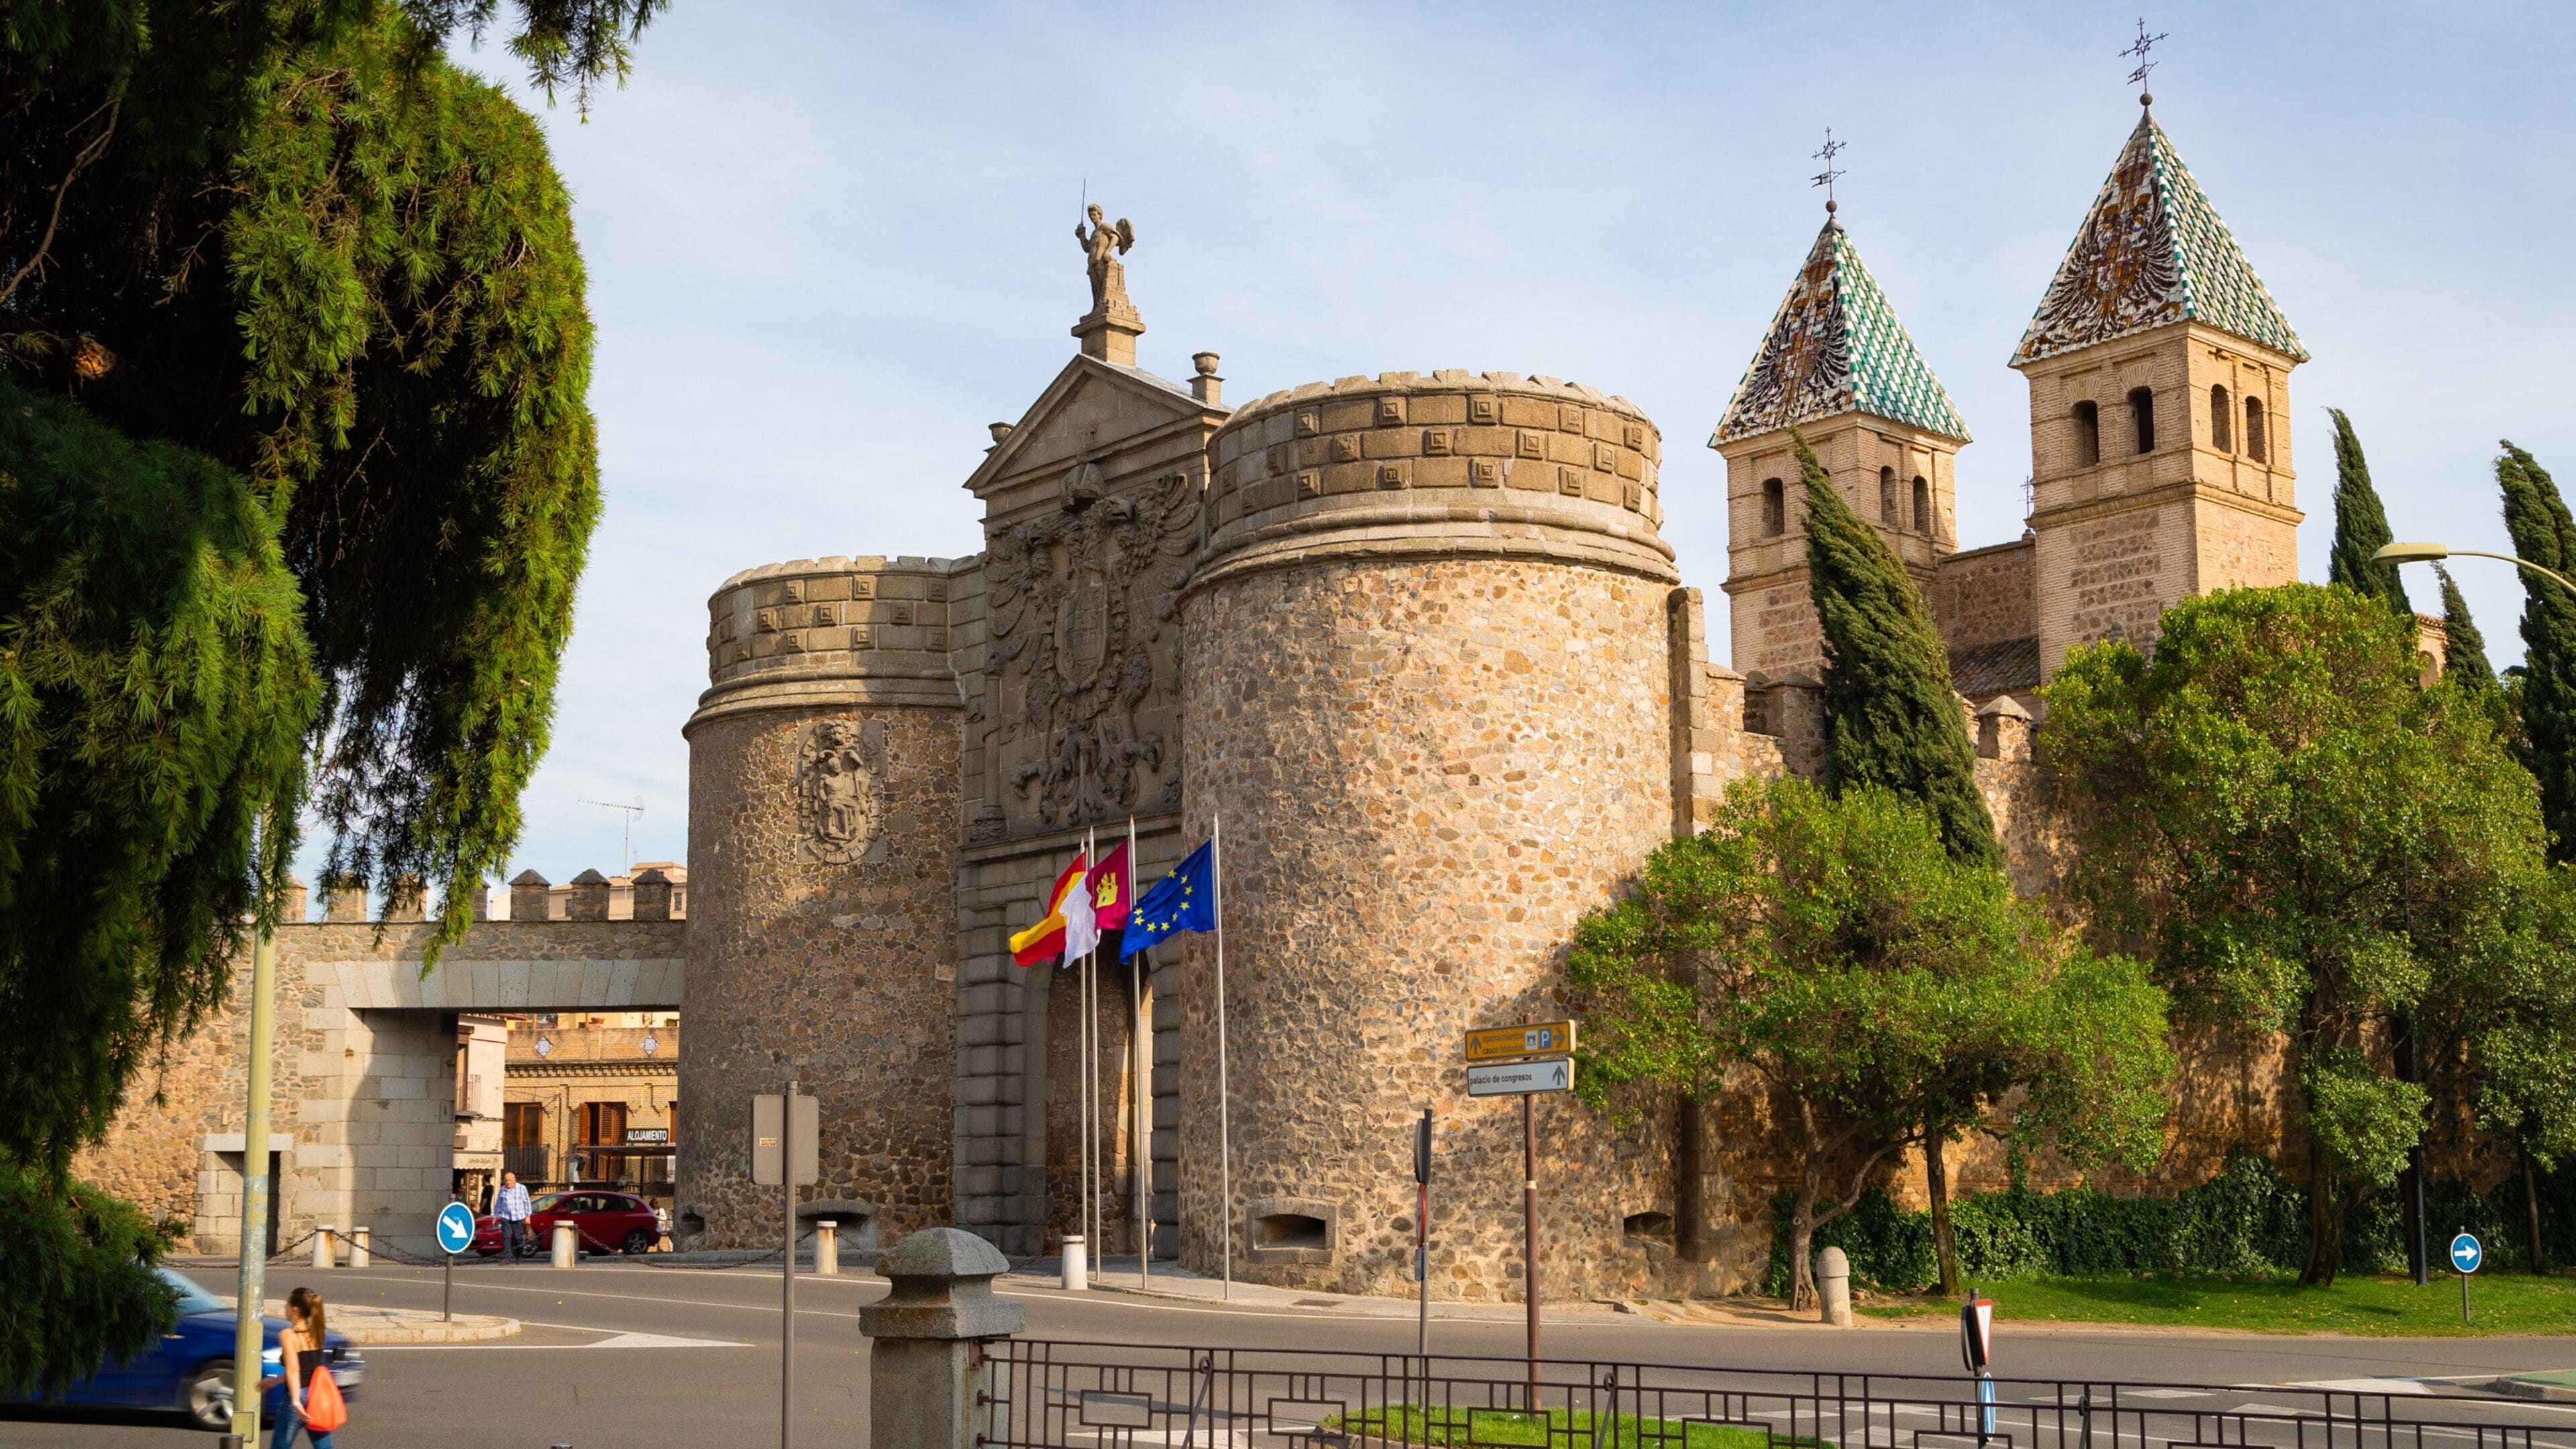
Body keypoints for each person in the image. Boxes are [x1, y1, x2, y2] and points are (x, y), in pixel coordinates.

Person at [259, 1286, 335, 1448]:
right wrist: (274, 1381)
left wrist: (295, 1402)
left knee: (280, 1446)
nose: (284, 1308)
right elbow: (306, 1367)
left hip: (297, 1397)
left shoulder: (288, 1335)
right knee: (324, 1446)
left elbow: (294, 1370)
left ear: (295, 1310)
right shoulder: (316, 1332)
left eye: (287, 1305)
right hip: (315, 1395)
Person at [493, 1170, 533, 1260]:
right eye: (506, 1180)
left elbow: (527, 1202)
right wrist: (495, 1216)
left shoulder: (522, 1188)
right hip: (506, 1216)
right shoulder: (502, 1189)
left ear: (514, 1180)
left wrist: (528, 1216)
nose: (508, 1182)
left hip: (518, 1217)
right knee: (506, 1236)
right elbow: (498, 1203)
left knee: (518, 1237)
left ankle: (518, 1254)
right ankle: (507, 1256)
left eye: (510, 1180)